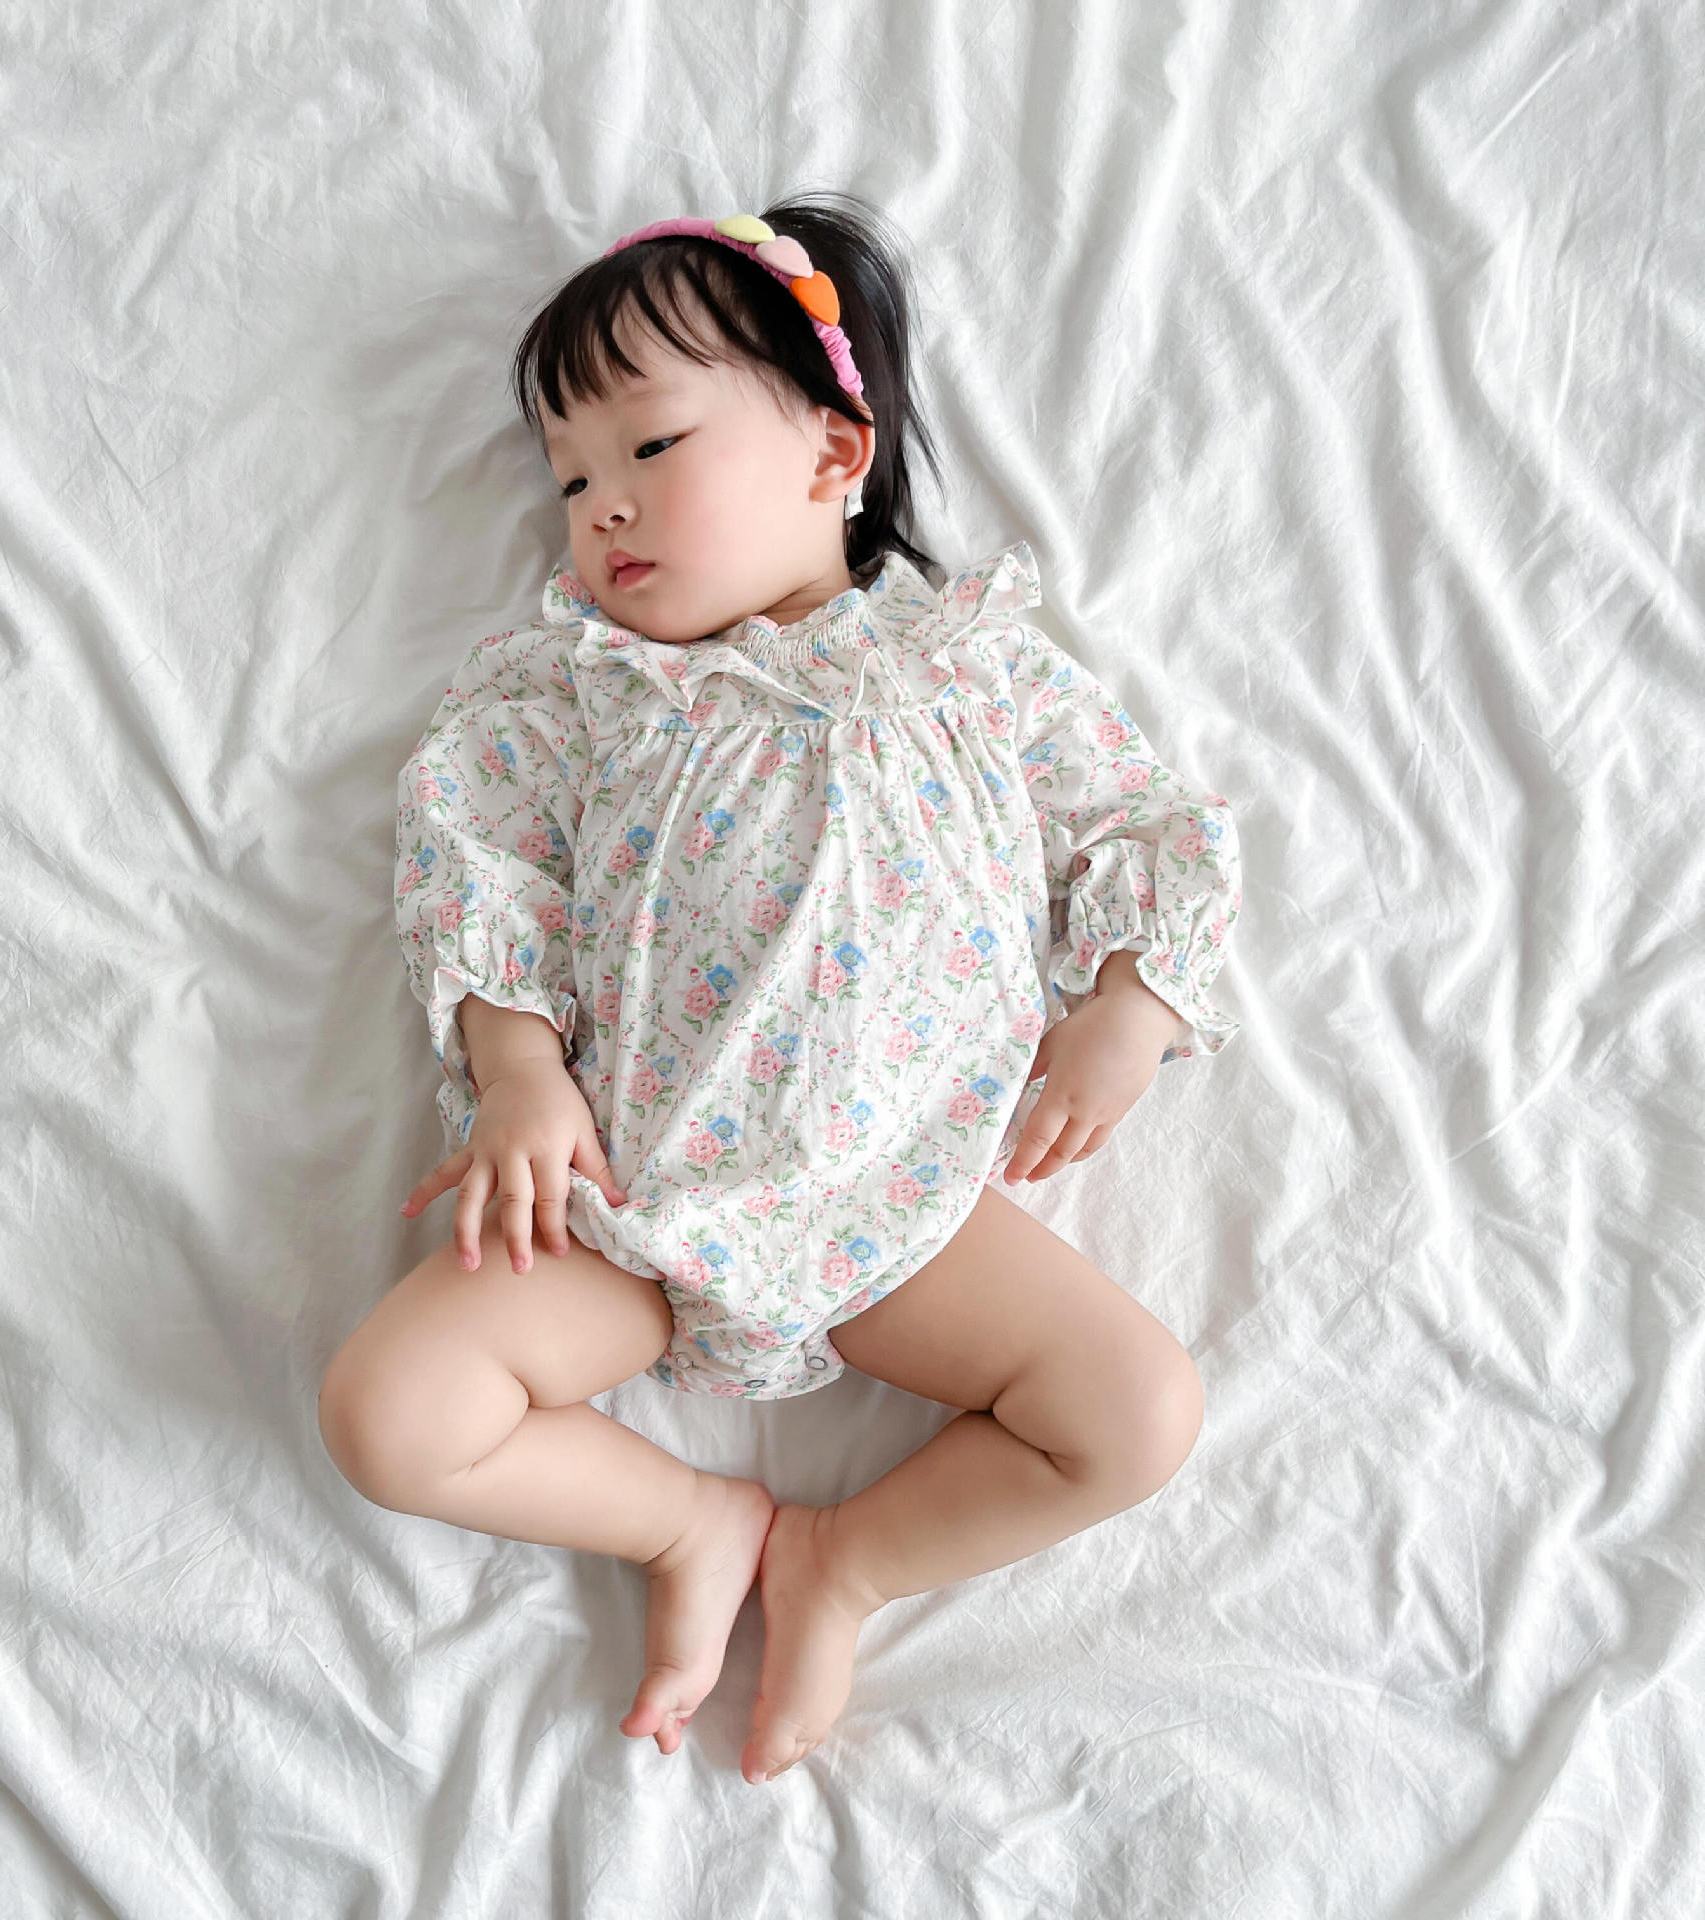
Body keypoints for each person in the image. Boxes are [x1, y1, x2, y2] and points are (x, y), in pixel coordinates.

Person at [318, 192, 1243, 1787]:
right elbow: (473, 865)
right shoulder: (583, 690)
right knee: (387, 1415)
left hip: (904, 1200)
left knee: (1137, 1413)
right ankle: (693, 1522)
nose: (603, 506)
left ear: (834, 452)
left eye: (651, 447)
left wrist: (1130, 1006)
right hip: (633, 1196)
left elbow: (1150, 828)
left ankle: (848, 1560)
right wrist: (521, 1074)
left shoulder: (968, 665)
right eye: (571, 478)